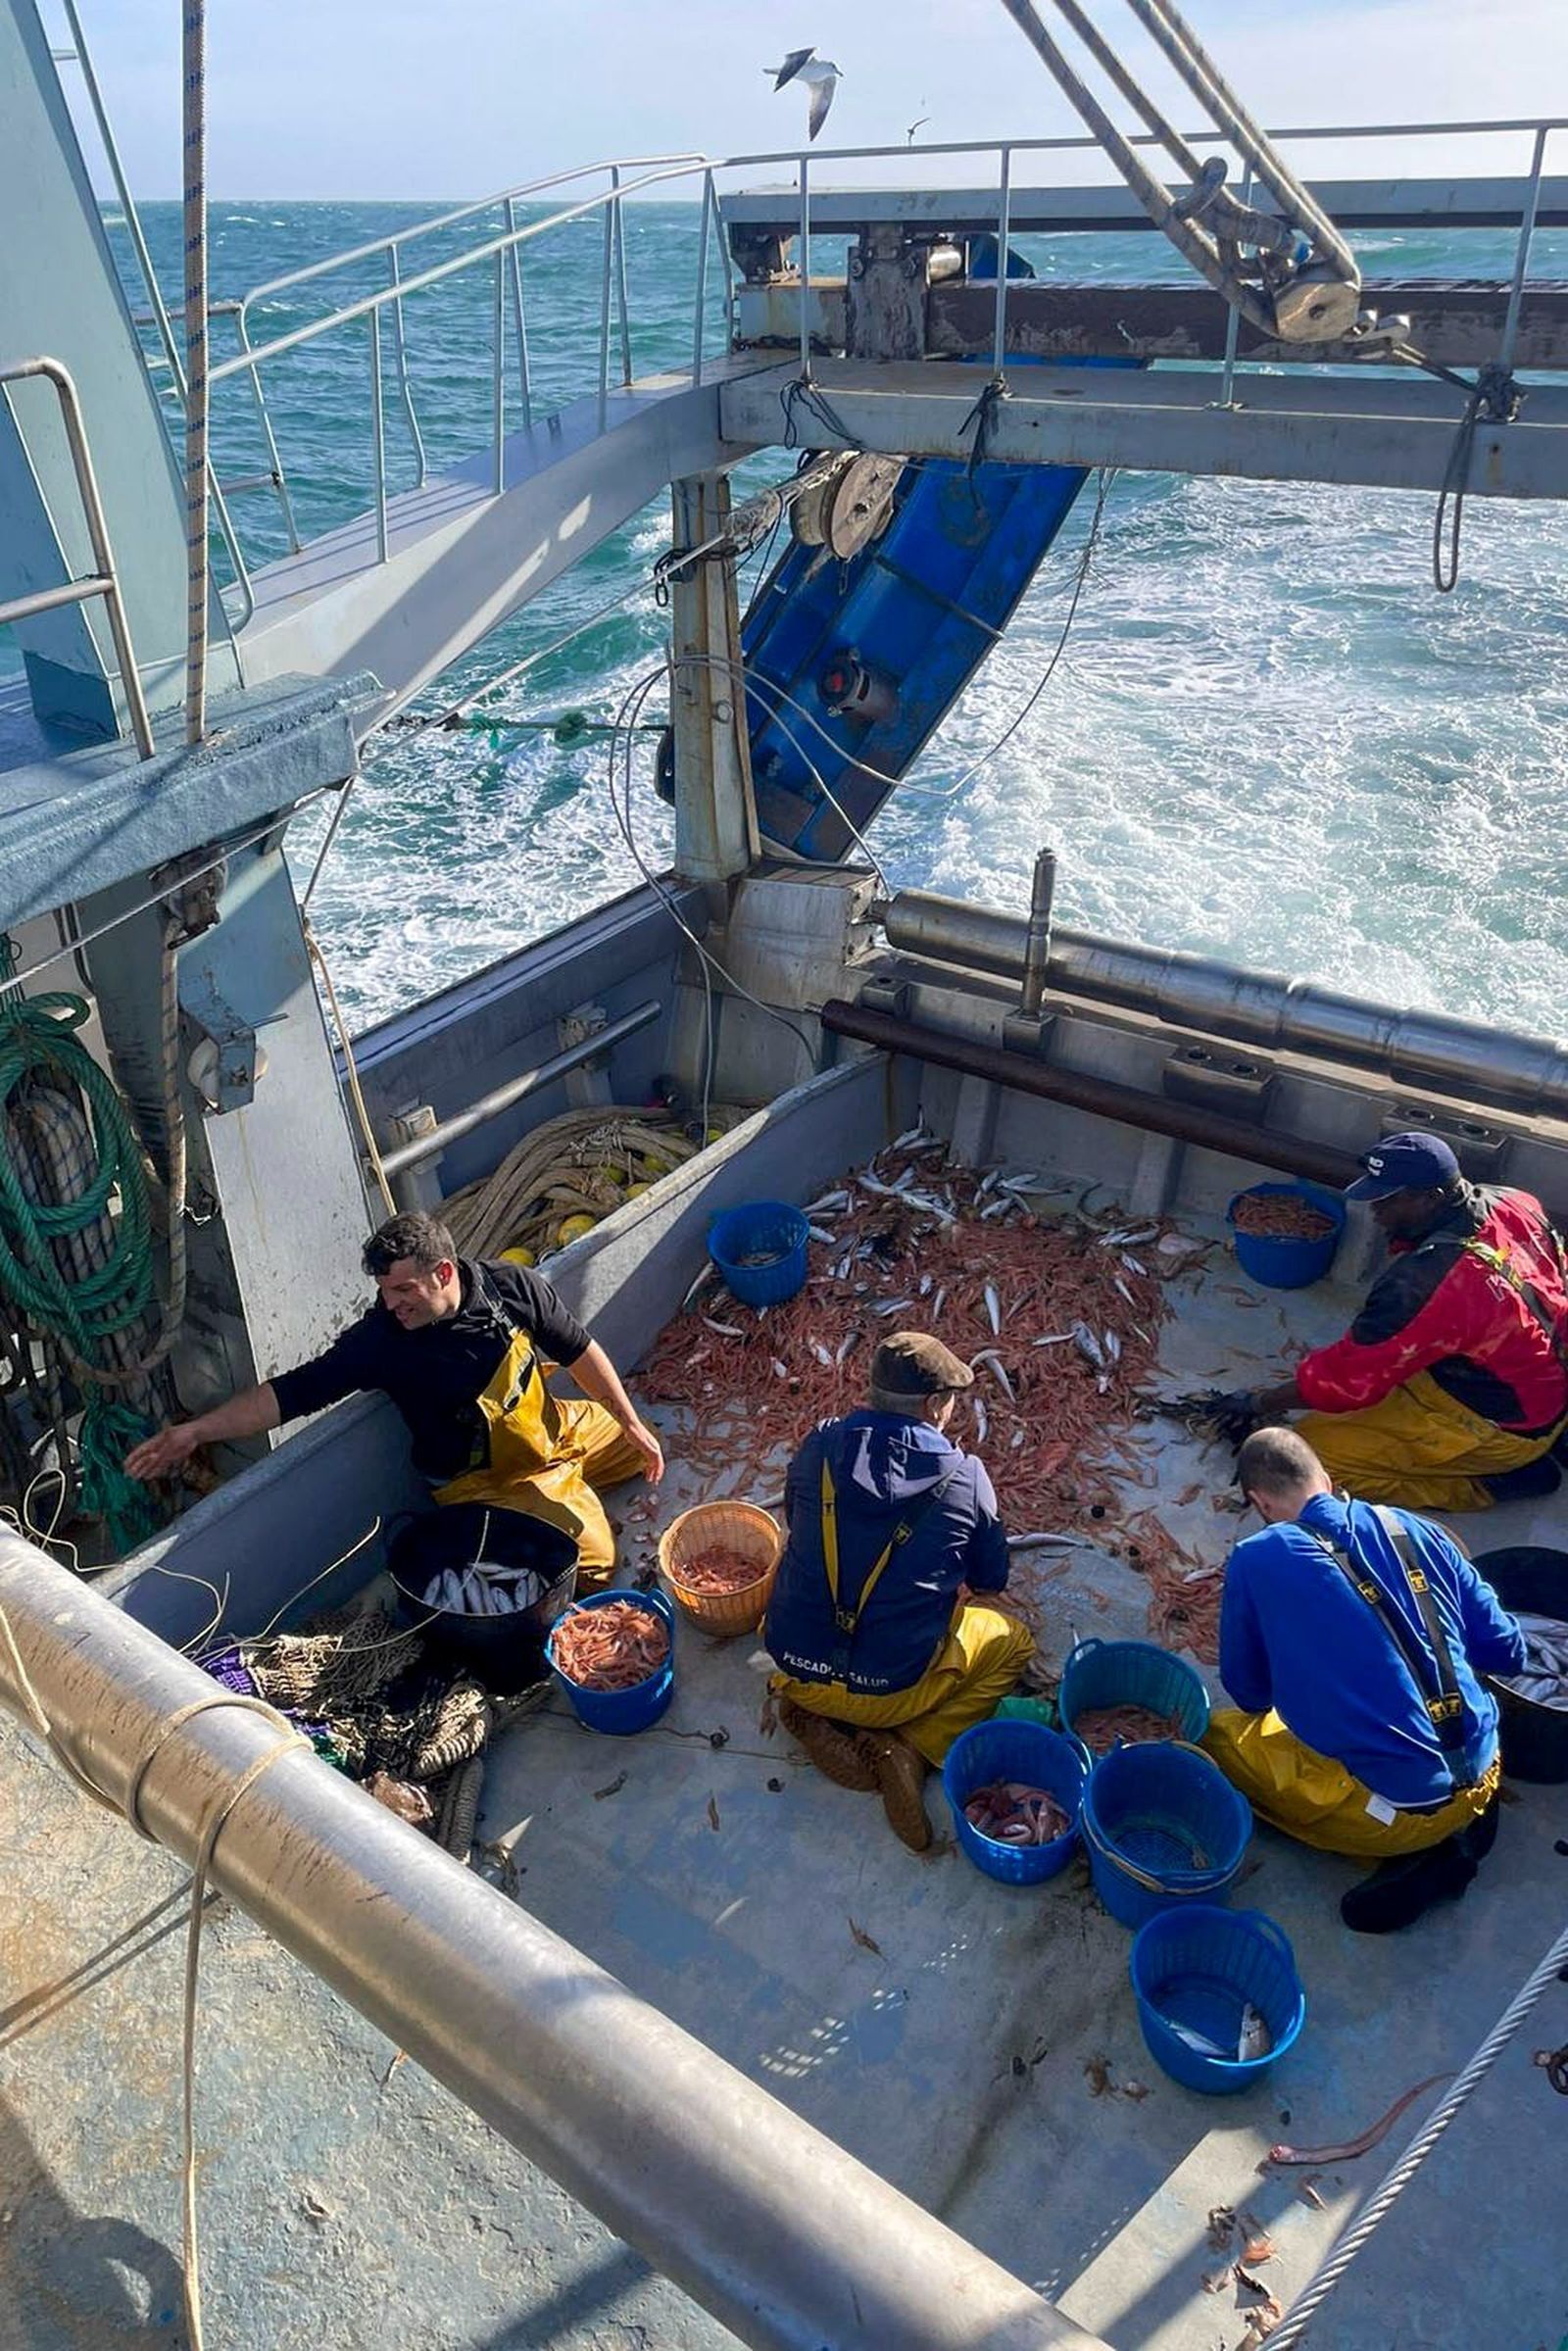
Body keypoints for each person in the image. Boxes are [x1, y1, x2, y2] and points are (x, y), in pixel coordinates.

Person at [123, 1211, 663, 1585]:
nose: (392, 1303)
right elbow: (288, 1394)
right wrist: (194, 1432)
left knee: (645, 1448)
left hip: (557, 1429)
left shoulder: (511, 1286)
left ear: (445, 1273)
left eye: (404, 1290)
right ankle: (521, 1520)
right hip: (491, 1481)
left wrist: (632, 1424)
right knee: (593, 1563)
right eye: (384, 1291)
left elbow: (579, 1350)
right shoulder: (381, 1341)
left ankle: (579, 1478)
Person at [1203, 1426, 1526, 1934]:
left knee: (1215, 1738)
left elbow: (1249, 1692)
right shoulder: (1416, 1528)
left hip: (1400, 1810)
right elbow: (1509, 1651)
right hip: (1487, 1760)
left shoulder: (1258, 1557)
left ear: (1258, 1503)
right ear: (1327, 1481)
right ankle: (1467, 1813)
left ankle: (1427, 1856)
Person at [764, 1331, 1035, 1852]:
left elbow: (798, 1522)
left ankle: (809, 1707)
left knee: (794, 1569)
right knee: (1012, 1639)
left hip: (791, 1668)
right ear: (935, 1407)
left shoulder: (818, 1444)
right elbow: (989, 1583)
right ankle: (912, 1747)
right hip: (892, 1692)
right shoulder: (965, 1477)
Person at [1219, 1133, 1568, 1510]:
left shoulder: (1423, 1285)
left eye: (1388, 1200)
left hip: (1498, 1422)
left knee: (1307, 1460)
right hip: (1535, 1375)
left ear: (1432, 1197)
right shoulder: (1513, 1200)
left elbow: (1343, 1385)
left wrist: (1257, 1403)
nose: (1376, 1211)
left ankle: (1490, 1483)